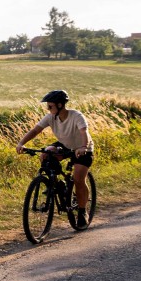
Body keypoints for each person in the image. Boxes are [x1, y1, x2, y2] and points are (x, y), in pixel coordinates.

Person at [16, 89, 94, 229]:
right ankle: (54, 183)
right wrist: (21, 143)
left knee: (78, 179)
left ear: (60, 105)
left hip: (83, 148)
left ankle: (82, 211)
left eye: (50, 106)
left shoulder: (76, 116)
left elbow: (84, 132)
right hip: (65, 145)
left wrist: (83, 147)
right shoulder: (50, 117)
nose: (47, 108)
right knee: (46, 153)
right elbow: (35, 131)